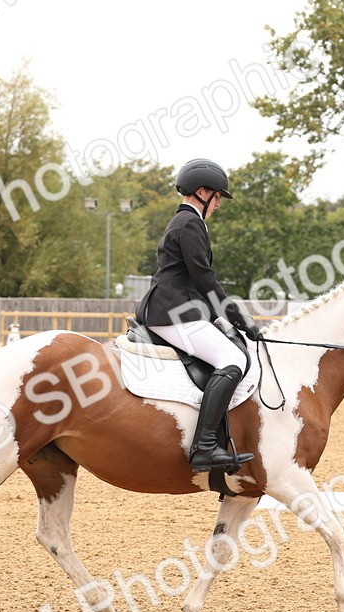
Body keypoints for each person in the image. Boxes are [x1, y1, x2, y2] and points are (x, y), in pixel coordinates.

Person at [134, 158, 263, 473]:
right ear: (203, 192)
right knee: (233, 361)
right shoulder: (191, 223)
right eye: (218, 196)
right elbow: (206, 279)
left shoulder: (184, 222)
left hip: (176, 308)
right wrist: (239, 318)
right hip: (172, 312)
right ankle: (204, 446)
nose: (219, 203)